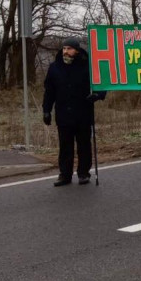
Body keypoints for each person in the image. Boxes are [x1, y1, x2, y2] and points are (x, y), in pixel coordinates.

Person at [42, 38, 106, 187]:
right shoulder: (54, 68)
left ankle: (83, 173)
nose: (65, 51)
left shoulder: (87, 66)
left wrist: (98, 95)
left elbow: (101, 83)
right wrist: (46, 110)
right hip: (63, 114)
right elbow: (49, 92)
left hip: (83, 112)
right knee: (65, 146)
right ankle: (65, 175)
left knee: (84, 145)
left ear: (76, 51)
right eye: (64, 49)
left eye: (69, 49)